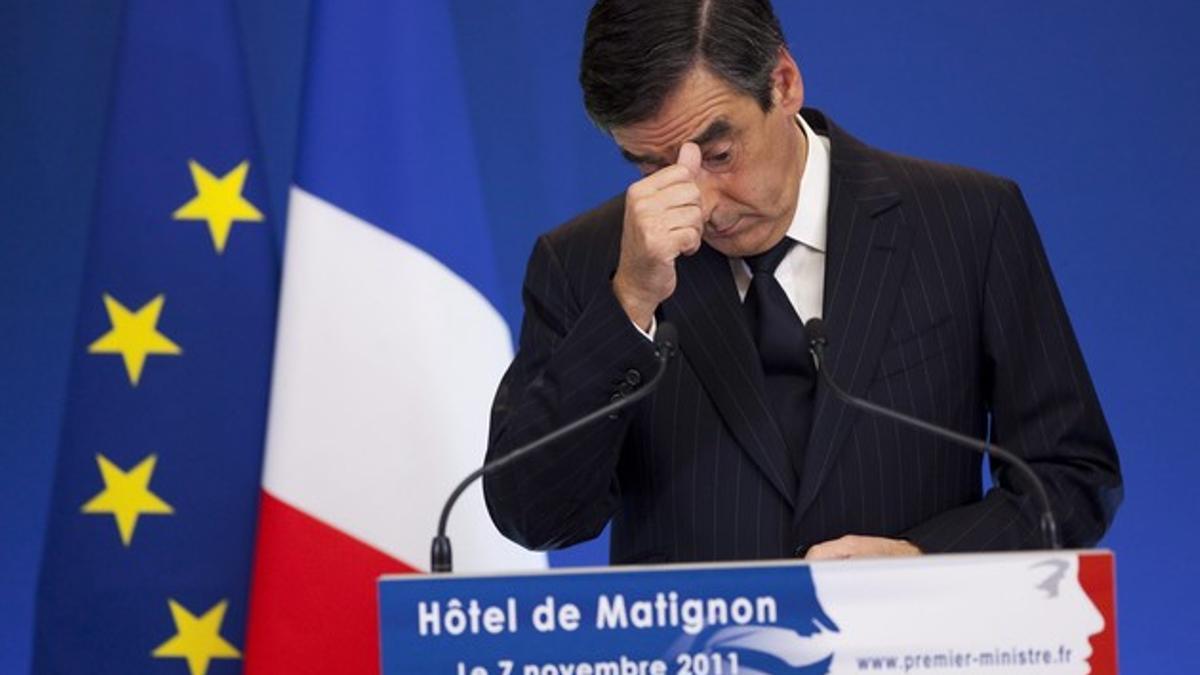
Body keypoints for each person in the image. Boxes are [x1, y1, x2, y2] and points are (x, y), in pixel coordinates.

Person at [483, 0, 1122, 564]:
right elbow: (535, 518)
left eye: (719, 153)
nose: (699, 203)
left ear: (783, 83)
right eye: (653, 165)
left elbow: (1071, 477)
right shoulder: (585, 262)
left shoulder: (968, 222)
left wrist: (926, 561)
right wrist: (628, 304)